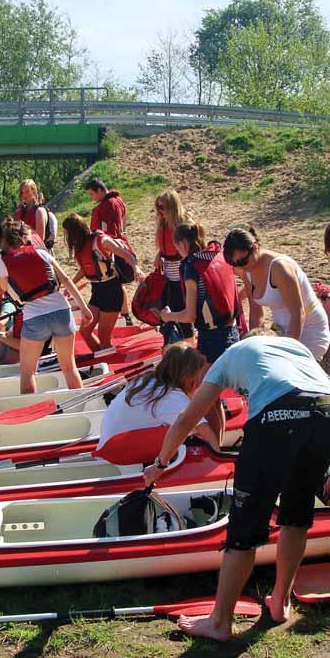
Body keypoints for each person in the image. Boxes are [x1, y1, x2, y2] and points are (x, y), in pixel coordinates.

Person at [144, 333, 330, 641]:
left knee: (244, 528)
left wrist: (159, 465)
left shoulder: (226, 360)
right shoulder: (293, 347)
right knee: (297, 515)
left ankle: (219, 622)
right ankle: (280, 602)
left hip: (278, 416)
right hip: (325, 409)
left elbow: (186, 419)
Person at [0, 220, 93, 393]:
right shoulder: (42, 253)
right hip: (61, 311)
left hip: (34, 316)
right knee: (69, 367)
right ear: (25, 237)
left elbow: (5, 289)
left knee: (27, 372)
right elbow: (65, 279)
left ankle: (30, 411)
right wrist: (84, 308)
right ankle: (80, 401)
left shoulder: (2, 264)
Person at [96, 342, 223, 463]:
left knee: (180, 431)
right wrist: (219, 458)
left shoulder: (148, 378)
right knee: (184, 431)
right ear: (187, 375)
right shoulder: (172, 396)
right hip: (116, 452)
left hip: (111, 444)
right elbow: (204, 432)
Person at [224, 227, 330, 361]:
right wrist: (255, 345)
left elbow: (298, 313)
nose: (240, 267)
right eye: (234, 264)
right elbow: (256, 313)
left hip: (308, 328)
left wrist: (289, 350)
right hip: (281, 327)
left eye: (242, 261)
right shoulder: (247, 271)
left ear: (255, 248)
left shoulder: (279, 268)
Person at [160, 222, 240, 364]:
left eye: (176, 246)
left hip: (212, 338)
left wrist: (167, 317)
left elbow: (190, 316)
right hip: (233, 331)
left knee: (205, 383)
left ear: (183, 244)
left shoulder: (192, 268)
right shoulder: (218, 255)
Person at [63, 213, 143, 352]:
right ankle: (101, 356)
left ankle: (107, 360)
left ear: (74, 232)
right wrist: (71, 284)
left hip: (112, 291)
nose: (66, 238)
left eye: (67, 233)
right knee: (85, 332)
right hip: (97, 291)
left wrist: (136, 269)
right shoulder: (81, 246)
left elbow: (127, 255)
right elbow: (86, 268)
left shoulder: (101, 241)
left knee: (104, 338)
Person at [87, 177, 136, 324]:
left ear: (101, 190)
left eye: (92, 194)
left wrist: (107, 248)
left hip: (110, 248)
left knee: (115, 284)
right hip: (116, 245)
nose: (92, 198)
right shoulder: (118, 201)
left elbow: (111, 231)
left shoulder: (108, 204)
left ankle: (124, 316)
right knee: (118, 284)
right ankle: (126, 316)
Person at [154, 189, 194, 343]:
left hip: (182, 273)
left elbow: (195, 247)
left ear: (172, 206)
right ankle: (175, 343)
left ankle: (190, 346)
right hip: (168, 273)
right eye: (158, 207)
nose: (160, 211)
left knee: (182, 309)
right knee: (167, 309)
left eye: (162, 207)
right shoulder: (164, 223)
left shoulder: (185, 222)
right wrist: (159, 254)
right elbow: (166, 247)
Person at [14, 179, 51, 246]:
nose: (24, 195)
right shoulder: (21, 210)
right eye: (22, 192)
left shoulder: (39, 211)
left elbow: (40, 239)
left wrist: (27, 231)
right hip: (24, 249)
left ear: (34, 191)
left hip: (38, 251)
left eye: (27, 192)